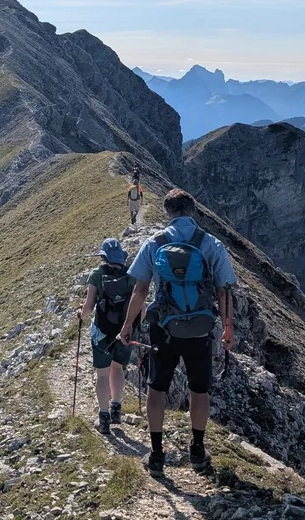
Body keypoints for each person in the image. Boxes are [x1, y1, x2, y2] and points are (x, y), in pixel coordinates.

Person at [119, 189, 237, 478]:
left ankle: (157, 455)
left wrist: (127, 325)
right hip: (200, 329)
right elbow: (224, 290)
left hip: (164, 329)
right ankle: (197, 450)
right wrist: (228, 329)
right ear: (193, 211)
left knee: (156, 388)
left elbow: (141, 289)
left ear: (168, 212)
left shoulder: (154, 243)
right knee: (200, 389)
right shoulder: (212, 244)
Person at [80, 238, 136, 435]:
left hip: (103, 332)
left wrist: (81, 314)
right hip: (125, 333)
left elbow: (88, 307)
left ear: (103, 256)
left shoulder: (97, 274)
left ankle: (103, 419)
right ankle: (116, 409)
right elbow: (141, 308)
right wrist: (131, 327)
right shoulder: (131, 275)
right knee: (118, 368)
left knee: (102, 375)